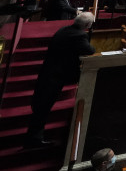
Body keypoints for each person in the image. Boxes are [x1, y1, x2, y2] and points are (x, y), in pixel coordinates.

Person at [25, 12, 96, 147]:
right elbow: (90, 50)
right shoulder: (80, 35)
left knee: (40, 107)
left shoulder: (64, 29)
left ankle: (34, 137)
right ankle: (34, 139)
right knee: (43, 108)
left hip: (48, 72)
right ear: (87, 25)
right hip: (55, 77)